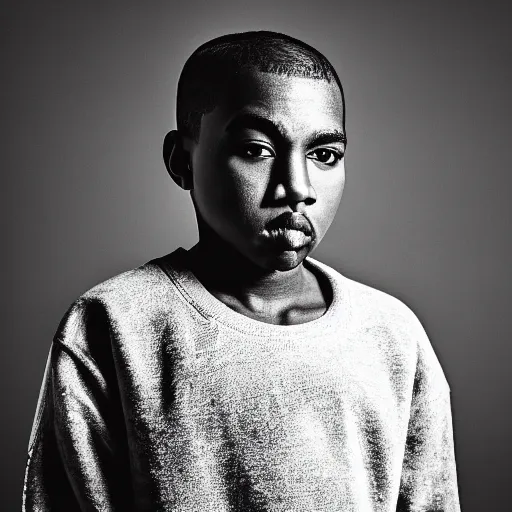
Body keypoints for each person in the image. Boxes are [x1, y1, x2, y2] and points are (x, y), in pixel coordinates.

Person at [22, 31, 461, 511]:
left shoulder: (391, 333)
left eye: (324, 155)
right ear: (181, 161)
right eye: (256, 150)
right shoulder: (114, 323)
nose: (297, 188)